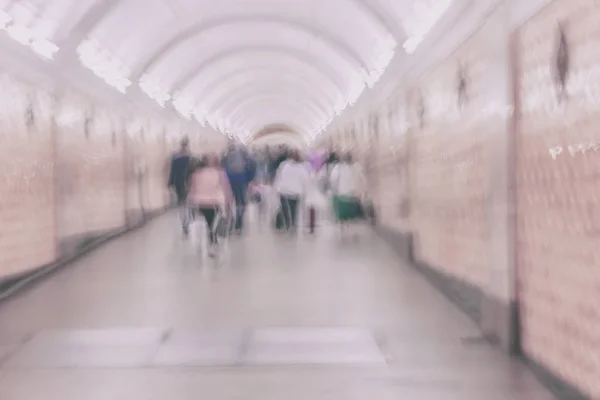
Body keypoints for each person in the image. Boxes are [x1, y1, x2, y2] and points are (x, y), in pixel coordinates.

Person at [187, 153, 233, 257]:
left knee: (209, 222)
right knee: (213, 223)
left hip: (202, 202)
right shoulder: (220, 173)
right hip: (215, 201)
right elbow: (226, 187)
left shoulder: (197, 174)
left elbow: (193, 188)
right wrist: (229, 200)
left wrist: (192, 200)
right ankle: (213, 242)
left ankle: (211, 241)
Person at [222, 142, 256, 234]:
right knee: (240, 201)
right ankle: (239, 222)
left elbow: (222, 169)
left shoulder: (226, 157)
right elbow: (252, 167)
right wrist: (249, 179)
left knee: (229, 201)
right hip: (242, 180)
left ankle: (229, 220)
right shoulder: (245, 157)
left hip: (228, 181)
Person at [329, 153, 367, 233]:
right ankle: (351, 226)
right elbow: (363, 179)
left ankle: (344, 225)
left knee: (343, 213)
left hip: (342, 193)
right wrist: (363, 190)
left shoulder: (338, 168)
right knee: (353, 214)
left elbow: (333, 180)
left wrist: (334, 190)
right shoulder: (357, 167)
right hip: (354, 194)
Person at [273, 150, 310, 232]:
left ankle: (285, 224)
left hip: (283, 191)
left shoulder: (283, 165)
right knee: (294, 209)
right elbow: (305, 180)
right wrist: (305, 192)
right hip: (295, 192)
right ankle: (292, 224)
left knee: (283, 208)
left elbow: (278, 176)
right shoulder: (301, 168)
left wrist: (276, 187)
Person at [167, 137, 193, 236]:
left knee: (182, 203)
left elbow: (172, 171)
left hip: (179, 182)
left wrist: (170, 183)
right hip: (188, 183)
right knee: (187, 203)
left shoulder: (175, 157)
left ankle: (184, 223)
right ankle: (186, 221)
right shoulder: (190, 157)